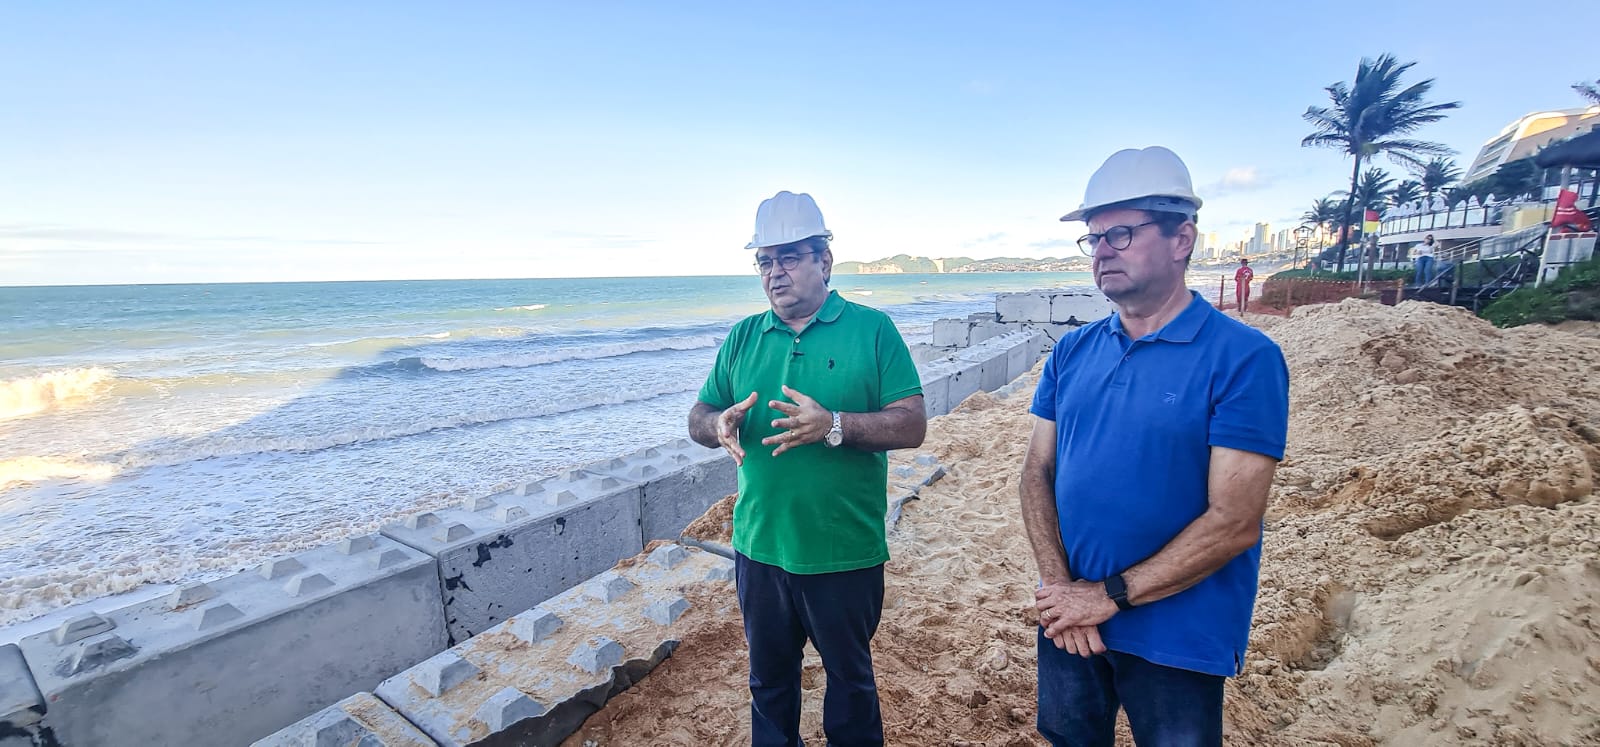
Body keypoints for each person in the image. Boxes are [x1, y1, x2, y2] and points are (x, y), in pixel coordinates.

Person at [1019, 146, 1290, 746]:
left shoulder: (1244, 358)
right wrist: (1059, 587)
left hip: (1177, 635)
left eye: (1120, 232)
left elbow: (1235, 520)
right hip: (1071, 620)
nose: (1103, 251)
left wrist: (1107, 596)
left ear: (1181, 239)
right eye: (1093, 239)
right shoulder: (1072, 351)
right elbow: (1036, 472)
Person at [687, 190, 927, 747]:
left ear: (825, 260)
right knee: (768, 685)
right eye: (765, 261)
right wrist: (717, 422)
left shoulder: (872, 329)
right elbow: (698, 415)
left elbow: (912, 424)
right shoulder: (744, 336)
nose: (776, 273)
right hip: (759, 548)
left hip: (844, 550)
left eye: (790, 256)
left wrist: (835, 425)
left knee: (850, 683)